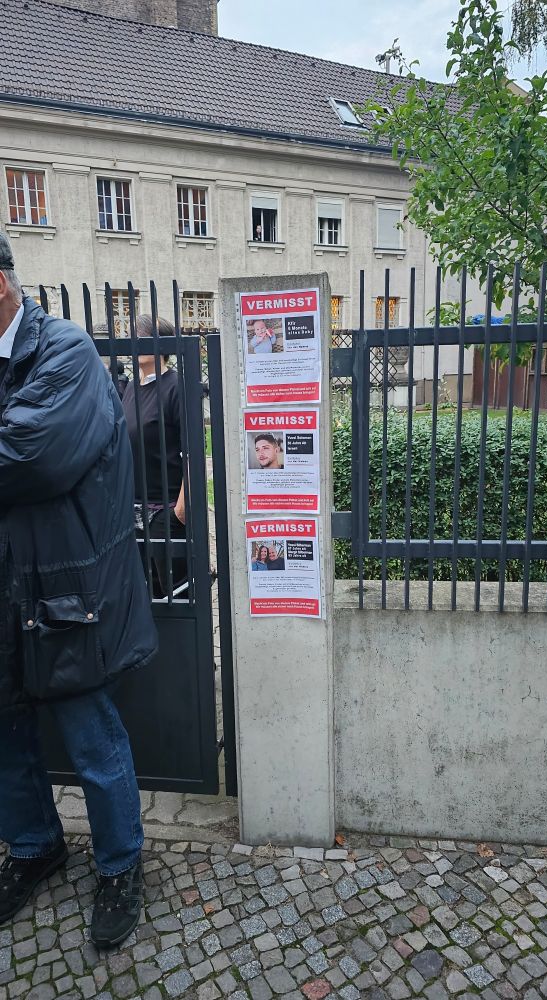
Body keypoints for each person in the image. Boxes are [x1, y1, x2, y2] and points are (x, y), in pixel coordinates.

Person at [0, 234, 157, 947]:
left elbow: (28, 456)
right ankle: (34, 845)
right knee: (6, 737)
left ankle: (120, 865)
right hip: (6, 589)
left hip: (65, 591)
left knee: (93, 738)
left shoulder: (65, 352)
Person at [121, 315, 188, 599]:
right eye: (131, 336)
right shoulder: (130, 389)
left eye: (142, 336)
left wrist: (180, 511)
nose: (134, 342)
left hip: (165, 511)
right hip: (132, 510)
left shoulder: (176, 386)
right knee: (144, 597)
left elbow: (192, 451)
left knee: (175, 596)